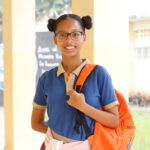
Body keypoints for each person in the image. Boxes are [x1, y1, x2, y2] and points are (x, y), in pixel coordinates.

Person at [31, 13, 119, 150]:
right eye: (62, 35)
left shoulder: (99, 74)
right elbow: (35, 123)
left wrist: (83, 106)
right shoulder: (46, 78)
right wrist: (56, 137)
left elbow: (114, 121)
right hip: (53, 145)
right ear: (55, 39)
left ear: (84, 37)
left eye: (75, 34)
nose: (69, 40)